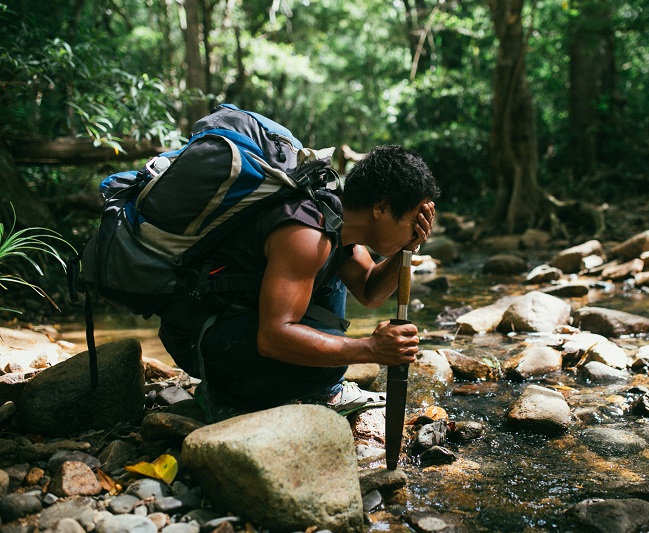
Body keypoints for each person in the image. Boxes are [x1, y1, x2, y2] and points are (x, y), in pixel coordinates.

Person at [157, 144, 439, 418]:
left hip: (236, 323)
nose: (416, 228)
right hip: (200, 336)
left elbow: (370, 292)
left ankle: (319, 391)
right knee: (328, 363)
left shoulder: (338, 224)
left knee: (332, 342)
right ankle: (225, 397)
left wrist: (409, 247)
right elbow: (273, 338)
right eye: (413, 220)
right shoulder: (307, 235)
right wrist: (369, 349)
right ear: (381, 207)